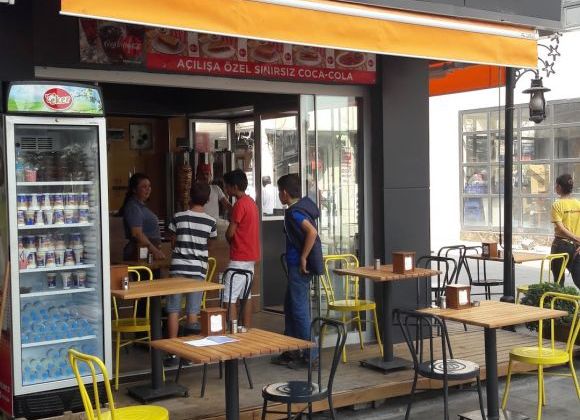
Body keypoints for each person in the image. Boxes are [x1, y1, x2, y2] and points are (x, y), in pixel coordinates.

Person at [272, 174, 323, 369]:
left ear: (285, 193)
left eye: (279, 191)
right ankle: (292, 350)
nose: (279, 195)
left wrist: (303, 257)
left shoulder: (295, 213)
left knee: (299, 310)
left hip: (298, 268)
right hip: (296, 267)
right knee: (291, 307)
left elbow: (312, 232)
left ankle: (311, 354)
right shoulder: (300, 208)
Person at [164, 183, 217, 365]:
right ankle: (189, 354)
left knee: (173, 309)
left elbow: (172, 241)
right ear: (208, 200)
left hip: (178, 268)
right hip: (198, 270)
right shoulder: (211, 222)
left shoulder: (178, 217)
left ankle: (172, 353)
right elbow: (209, 245)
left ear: (190, 196)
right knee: (192, 311)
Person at [222, 169, 260, 328]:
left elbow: (230, 232)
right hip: (251, 257)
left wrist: (228, 238)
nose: (225, 189)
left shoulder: (239, 205)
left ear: (235, 187)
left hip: (239, 257)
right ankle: (246, 330)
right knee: (246, 295)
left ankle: (233, 332)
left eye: (227, 186)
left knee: (229, 297)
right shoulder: (251, 203)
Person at [118, 173, 165, 261]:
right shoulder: (133, 207)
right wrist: (154, 250)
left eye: (149, 186)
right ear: (134, 189)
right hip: (141, 252)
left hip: (148, 252)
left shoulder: (141, 206)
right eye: (144, 186)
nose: (148, 189)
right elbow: (137, 233)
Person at [550, 173, 580, 288]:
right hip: (577, 246)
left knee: (558, 280)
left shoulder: (557, 205)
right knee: (578, 278)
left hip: (561, 245)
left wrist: (575, 238)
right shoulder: (578, 204)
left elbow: (561, 228)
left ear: (559, 187)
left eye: (556, 185)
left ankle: (558, 299)